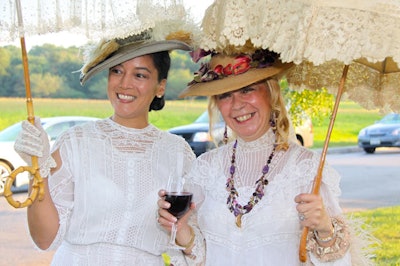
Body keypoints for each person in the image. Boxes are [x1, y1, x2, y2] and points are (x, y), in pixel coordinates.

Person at [157, 48, 357, 265]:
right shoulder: (205, 168)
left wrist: (325, 229)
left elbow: (337, 260)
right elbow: (201, 256)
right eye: (225, 95)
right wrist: (181, 229)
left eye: (247, 89)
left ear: (271, 93)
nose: (237, 105)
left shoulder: (305, 167)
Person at [14, 29, 196, 265]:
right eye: (117, 71)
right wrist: (37, 171)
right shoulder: (75, 142)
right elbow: (44, 239)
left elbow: (195, 244)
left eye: (139, 75)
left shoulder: (178, 153)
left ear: (160, 87)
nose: (124, 83)